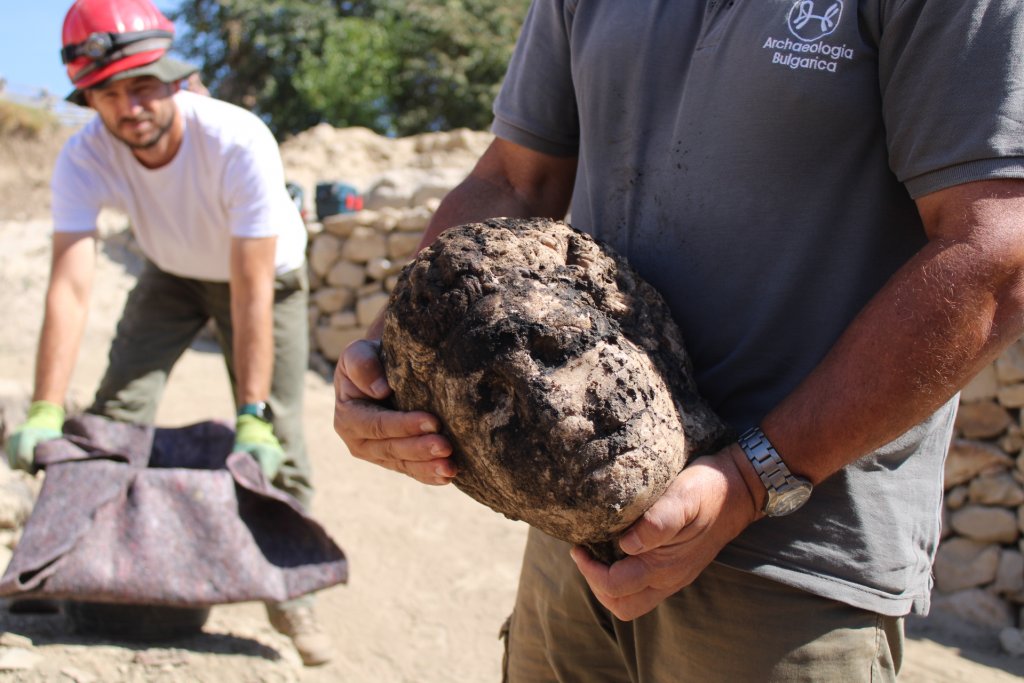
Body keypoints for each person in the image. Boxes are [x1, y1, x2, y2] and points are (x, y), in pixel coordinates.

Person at [334, 1, 1024, 680]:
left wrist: (753, 479)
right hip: (577, 528)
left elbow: (996, 254)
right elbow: (516, 176)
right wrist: (391, 352)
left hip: (788, 566)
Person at [3, 0, 330, 667]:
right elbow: (70, 283)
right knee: (112, 415)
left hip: (267, 278)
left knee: (280, 436)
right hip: (172, 274)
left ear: (175, 78)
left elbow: (249, 288)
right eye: (110, 93)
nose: (131, 108)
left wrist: (251, 413)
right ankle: (66, 565)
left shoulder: (237, 140)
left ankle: (292, 597)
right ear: (87, 96)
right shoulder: (83, 156)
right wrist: (42, 408)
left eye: (144, 86)